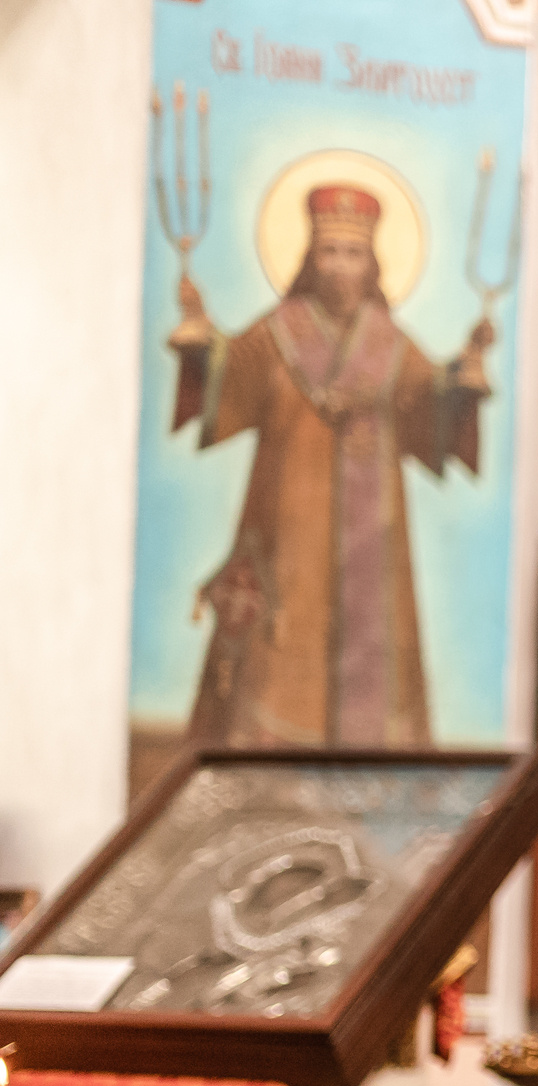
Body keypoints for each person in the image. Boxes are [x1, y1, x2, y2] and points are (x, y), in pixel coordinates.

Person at [169, 184, 495, 747]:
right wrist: (200, 340)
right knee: (282, 631)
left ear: (372, 264)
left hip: (374, 539)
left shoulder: (390, 345)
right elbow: (228, 380)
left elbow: (431, 411)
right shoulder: (276, 335)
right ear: (308, 259)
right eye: (329, 252)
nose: (341, 267)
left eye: (353, 254)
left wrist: (463, 378)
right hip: (288, 530)